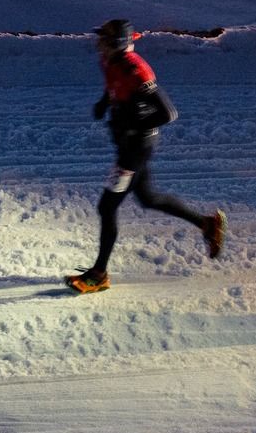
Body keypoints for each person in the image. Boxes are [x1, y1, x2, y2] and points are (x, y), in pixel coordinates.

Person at [66, 19, 224, 293]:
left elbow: (167, 113)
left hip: (136, 148)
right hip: (130, 145)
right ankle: (207, 223)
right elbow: (113, 84)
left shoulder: (136, 70)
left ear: (115, 44)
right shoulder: (110, 61)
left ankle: (99, 274)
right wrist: (105, 103)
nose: (97, 44)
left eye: (102, 39)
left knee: (107, 207)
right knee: (148, 198)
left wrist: (130, 125)